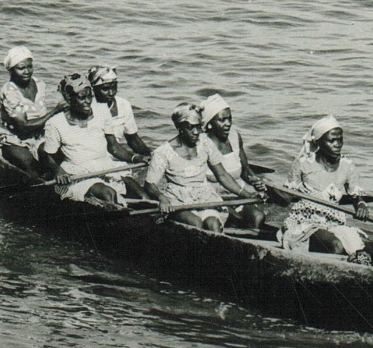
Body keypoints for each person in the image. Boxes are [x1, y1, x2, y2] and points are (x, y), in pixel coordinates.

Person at [279, 116, 373, 266]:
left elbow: (356, 196)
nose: (338, 144)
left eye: (340, 140)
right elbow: (286, 196)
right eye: (332, 140)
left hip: (335, 222)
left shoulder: (347, 165)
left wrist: (361, 206)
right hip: (307, 222)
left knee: (364, 244)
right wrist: (269, 190)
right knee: (337, 246)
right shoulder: (303, 163)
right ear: (319, 142)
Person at [144, 103, 263, 233]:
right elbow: (150, 185)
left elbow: (222, 175)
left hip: (205, 196)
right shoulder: (162, 153)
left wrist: (247, 195)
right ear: (179, 127)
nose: (196, 132)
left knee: (213, 225)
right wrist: (162, 198)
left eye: (198, 127)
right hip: (178, 199)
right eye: (190, 128)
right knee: (196, 224)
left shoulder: (205, 143)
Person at [38, 73, 147, 208]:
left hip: (106, 166)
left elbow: (113, 147)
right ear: (69, 98)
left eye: (90, 96)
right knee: (109, 195)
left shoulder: (102, 111)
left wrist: (136, 158)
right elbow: (48, 154)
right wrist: (58, 171)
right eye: (81, 98)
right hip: (77, 173)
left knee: (143, 196)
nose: (88, 102)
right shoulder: (55, 123)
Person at [0, 45, 66, 176]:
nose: (27, 71)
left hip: (39, 135)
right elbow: (23, 126)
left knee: (58, 156)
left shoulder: (39, 84)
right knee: (29, 164)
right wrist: (55, 111)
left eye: (30, 67)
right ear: (11, 70)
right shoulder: (9, 92)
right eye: (21, 68)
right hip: (14, 137)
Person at [200, 93, 267, 230]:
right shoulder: (201, 143)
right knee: (231, 219)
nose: (228, 124)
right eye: (222, 120)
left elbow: (246, 171)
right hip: (212, 197)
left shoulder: (235, 137)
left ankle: (252, 244)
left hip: (238, 195)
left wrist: (256, 182)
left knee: (258, 217)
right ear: (210, 123)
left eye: (230, 119)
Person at [87, 66, 153, 160]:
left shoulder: (123, 104)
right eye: (105, 89)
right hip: (94, 157)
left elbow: (133, 139)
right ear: (94, 89)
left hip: (119, 154)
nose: (111, 93)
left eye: (114, 87)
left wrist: (151, 155)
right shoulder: (87, 107)